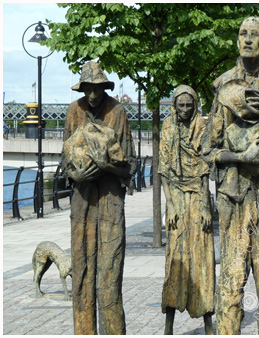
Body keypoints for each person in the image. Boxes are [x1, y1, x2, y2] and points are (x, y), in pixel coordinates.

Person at [201, 17, 259, 335]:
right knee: (230, 279)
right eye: (242, 34)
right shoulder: (223, 85)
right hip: (233, 196)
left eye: (254, 35)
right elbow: (208, 150)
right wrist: (242, 157)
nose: (247, 39)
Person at [61, 61, 136, 334]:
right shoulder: (73, 111)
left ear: (105, 87)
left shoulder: (117, 111)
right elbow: (65, 158)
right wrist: (76, 175)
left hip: (110, 203)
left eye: (98, 89)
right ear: (82, 89)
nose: (93, 96)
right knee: (81, 273)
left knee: (109, 274)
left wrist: (108, 166)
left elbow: (131, 164)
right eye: (88, 89)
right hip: (82, 204)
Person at [159, 85, 215, 335]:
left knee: (202, 257)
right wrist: (169, 205)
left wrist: (205, 205)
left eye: (188, 105)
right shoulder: (167, 126)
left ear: (194, 105)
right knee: (175, 257)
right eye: (180, 105)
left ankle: (207, 320)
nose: (184, 110)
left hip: (198, 195)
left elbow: (205, 168)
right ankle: (169, 324)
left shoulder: (202, 126)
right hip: (176, 197)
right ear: (174, 105)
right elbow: (163, 170)